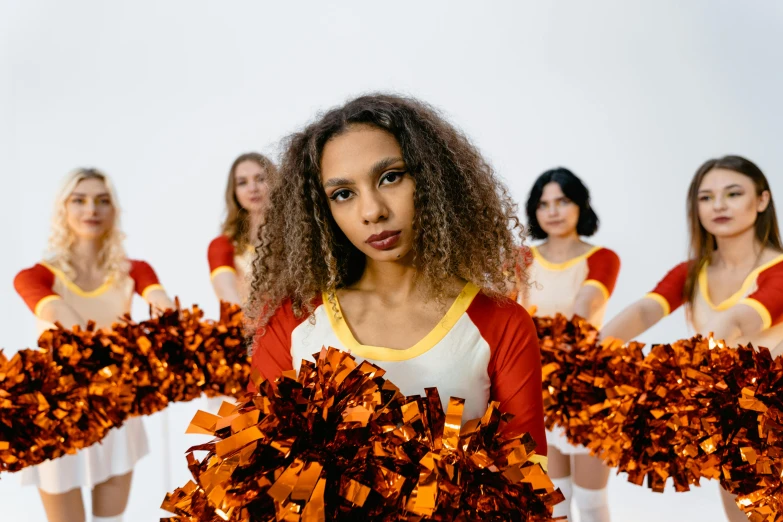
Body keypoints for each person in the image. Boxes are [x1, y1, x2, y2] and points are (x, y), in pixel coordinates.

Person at [248, 94, 547, 464]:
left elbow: (530, 489)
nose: (372, 211)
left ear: (434, 178)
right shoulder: (294, 320)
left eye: (390, 177)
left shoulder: (501, 325)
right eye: (343, 194)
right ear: (321, 212)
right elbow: (248, 470)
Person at [602, 155, 783, 522]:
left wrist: (676, 377)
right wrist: (588, 350)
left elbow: (736, 321)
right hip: (728, 421)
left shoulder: (778, 269)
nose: (718, 205)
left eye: (733, 193)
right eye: (706, 197)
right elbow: (643, 312)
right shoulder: (691, 271)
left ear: (762, 201)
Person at [13, 168, 174, 522]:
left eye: (103, 201)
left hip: (116, 406)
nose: (92, 209)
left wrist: (169, 322)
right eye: (80, 200)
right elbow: (59, 312)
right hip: (58, 412)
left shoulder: (135, 269)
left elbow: (161, 300)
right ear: (63, 209)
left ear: (114, 210)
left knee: (110, 518)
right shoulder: (36, 275)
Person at [520, 167, 620, 522]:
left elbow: (586, 306)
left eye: (562, 201)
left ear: (580, 205)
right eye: (544, 204)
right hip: (534, 388)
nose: (553, 211)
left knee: (592, 503)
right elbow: (507, 312)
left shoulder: (602, 257)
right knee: (553, 504)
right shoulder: (522, 258)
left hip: (585, 391)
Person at [208, 153, 277, 306]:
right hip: (252, 326)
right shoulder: (223, 245)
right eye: (242, 182)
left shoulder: (298, 236)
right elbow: (227, 298)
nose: (253, 188)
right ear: (234, 192)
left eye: (260, 179)